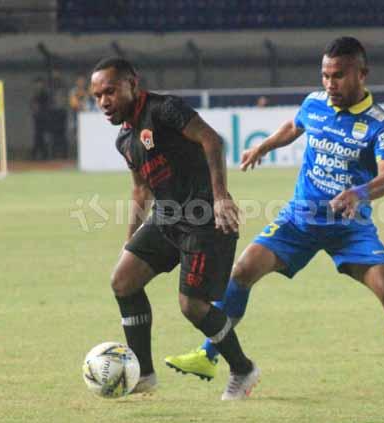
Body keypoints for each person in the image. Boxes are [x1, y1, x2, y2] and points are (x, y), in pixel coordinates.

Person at [165, 37, 384, 390]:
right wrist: (264, 146)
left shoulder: (380, 124)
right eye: (325, 75)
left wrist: (358, 193)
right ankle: (208, 354)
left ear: (362, 74)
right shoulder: (316, 103)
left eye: (339, 76)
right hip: (298, 220)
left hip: (350, 228)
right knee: (241, 271)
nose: (330, 84)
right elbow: (294, 126)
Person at [90, 57, 260, 400]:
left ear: (132, 84)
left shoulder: (165, 110)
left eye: (110, 91)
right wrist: (130, 241)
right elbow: (141, 190)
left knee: (192, 306)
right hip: (166, 218)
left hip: (204, 220)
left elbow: (212, 140)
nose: (103, 102)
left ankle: (243, 369)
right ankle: (144, 374)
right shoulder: (125, 139)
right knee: (123, 281)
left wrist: (221, 197)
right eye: (96, 96)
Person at [30, 77, 51, 160]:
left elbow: (46, 105)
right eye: (37, 84)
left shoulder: (45, 94)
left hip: (44, 118)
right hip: (37, 118)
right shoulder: (35, 94)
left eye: (39, 84)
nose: (38, 85)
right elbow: (32, 105)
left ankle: (41, 155)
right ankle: (38, 154)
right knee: (38, 136)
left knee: (41, 137)